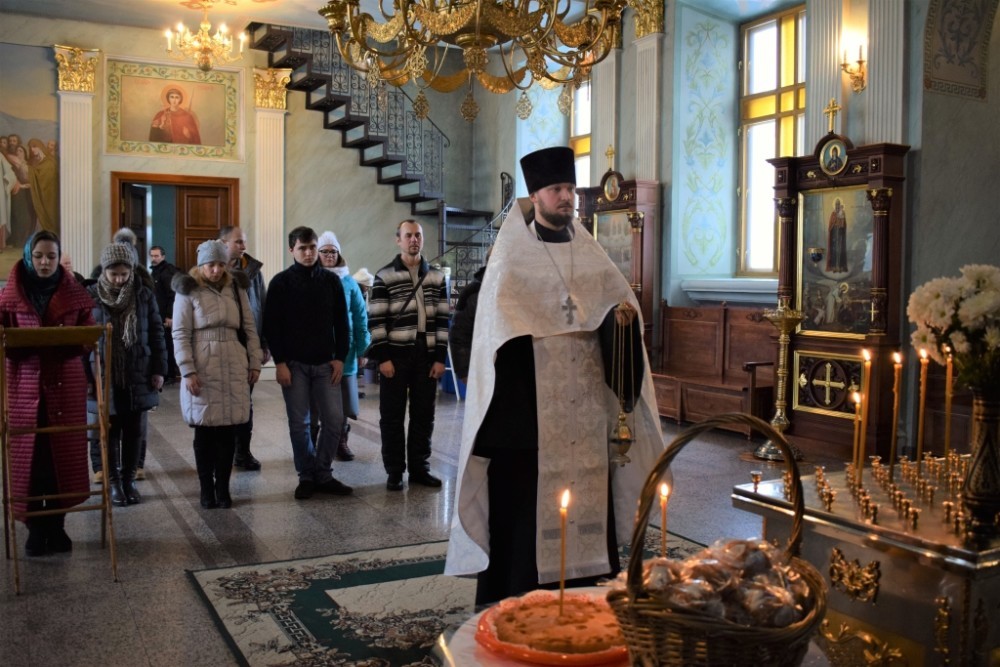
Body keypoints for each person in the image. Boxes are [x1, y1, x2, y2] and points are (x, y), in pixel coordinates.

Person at [444, 147, 665, 605]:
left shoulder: (592, 258)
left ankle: (588, 599)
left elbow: (618, 321)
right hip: (525, 424)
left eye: (569, 189)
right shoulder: (509, 263)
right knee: (524, 519)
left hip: (586, 417)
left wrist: (619, 324)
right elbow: (481, 340)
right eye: (556, 189)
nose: (566, 197)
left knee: (588, 504)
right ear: (535, 196)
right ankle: (521, 600)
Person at [0, 231, 95, 556]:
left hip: (63, 383)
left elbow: (88, 332)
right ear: (29, 257)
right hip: (24, 384)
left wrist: (74, 339)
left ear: (58, 258)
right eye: (38, 256)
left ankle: (56, 526)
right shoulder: (10, 295)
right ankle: (35, 528)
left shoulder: (74, 292)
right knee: (30, 459)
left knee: (60, 459)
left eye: (51, 257)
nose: (44, 262)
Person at [262, 226, 353, 500]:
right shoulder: (280, 283)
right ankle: (306, 475)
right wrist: (279, 362)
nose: (309, 252)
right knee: (299, 424)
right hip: (294, 365)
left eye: (313, 247)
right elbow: (272, 326)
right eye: (303, 248)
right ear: (292, 250)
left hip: (326, 363)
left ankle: (323, 472)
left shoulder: (331, 281)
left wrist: (340, 358)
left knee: (334, 421)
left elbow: (342, 323)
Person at [172, 240, 262, 509]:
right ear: (201, 264)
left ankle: (222, 488)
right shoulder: (188, 288)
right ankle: (206, 489)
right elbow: (180, 332)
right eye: (211, 264)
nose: (216, 270)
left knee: (227, 431)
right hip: (203, 362)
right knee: (204, 432)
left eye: (221, 264)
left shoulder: (236, 286)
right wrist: (187, 370)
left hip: (234, 361)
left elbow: (249, 327)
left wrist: (254, 362)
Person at [367, 220, 450, 491]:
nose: (414, 240)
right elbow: (376, 321)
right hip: (396, 353)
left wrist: (440, 358)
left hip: (426, 353)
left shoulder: (437, 277)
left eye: (418, 235)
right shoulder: (384, 276)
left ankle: (419, 468)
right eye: (408, 235)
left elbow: (443, 320)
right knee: (392, 416)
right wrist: (383, 358)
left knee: (424, 414)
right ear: (398, 240)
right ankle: (394, 471)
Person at [87, 243, 167, 507]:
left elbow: (156, 333)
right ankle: (113, 483)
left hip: (138, 371)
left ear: (132, 270)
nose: (120, 280)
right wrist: (86, 378)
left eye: (124, 274)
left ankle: (129, 479)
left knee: (134, 431)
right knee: (109, 432)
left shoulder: (143, 295)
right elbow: (83, 342)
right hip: (104, 373)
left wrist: (159, 369)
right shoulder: (92, 297)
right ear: (104, 271)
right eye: (114, 274)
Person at [313, 231, 370, 461]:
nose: (329, 255)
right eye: (324, 251)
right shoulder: (311, 278)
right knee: (316, 400)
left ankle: (340, 441)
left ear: (339, 254)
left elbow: (360, 316)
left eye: (333, 251)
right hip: (317, 351)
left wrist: (363, 349)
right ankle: (316, 441)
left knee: (343, 401)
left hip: (345, 350)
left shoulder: (349, 282)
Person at [220, 225, 269, 470]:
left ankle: (243, 452)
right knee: (222, 402)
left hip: (247, 346)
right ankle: (223, 452)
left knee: (245, 402)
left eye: (244, 242)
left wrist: (264, 345)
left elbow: (264, 306)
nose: (243, 246)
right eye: (238, 242)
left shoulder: (253, 271)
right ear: (223, 243)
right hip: (220, 349)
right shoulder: (212, 270)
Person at [449, 249, 490, 382]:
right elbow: (459, 334)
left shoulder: (518, 289)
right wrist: (464, 370)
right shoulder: (472, 293)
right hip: (483, 367)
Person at [149, 245, 180, 381]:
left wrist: (169, 315)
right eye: (152, 255)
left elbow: (172, 294)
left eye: (156, 256)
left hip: (165, 316)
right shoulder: (155, 272)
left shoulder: (166, 272)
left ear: (163, 256)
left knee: (167, 344)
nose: (154, 258)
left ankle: (169, 374)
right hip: (158, 314)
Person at [27, 138, 58, 234]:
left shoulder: (49, 162)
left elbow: (44, 179)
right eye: (30, 147)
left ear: (40, 147)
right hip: (39, 196)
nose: (32, 150)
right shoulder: (34, 161)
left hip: (49, 195)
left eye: (34, 146)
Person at [826, 198, 848, 273]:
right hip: (834, 235)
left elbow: (844, 225)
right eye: (836, 204)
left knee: (840, 250)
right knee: (834, 250)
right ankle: (834, 267)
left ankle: (840, 267)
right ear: (835, 205)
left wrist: (841, 218)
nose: (837, 206)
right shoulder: (833, 214)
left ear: (840, 205)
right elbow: (830, 225)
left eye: (838, 204)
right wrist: (835, 223)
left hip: (840, 234)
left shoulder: (842, 213)